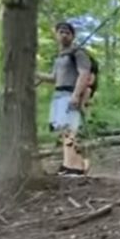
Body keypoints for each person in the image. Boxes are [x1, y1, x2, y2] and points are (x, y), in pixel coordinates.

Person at [36, 21, 92, 176]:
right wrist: (35, 73)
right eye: (61, 31)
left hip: (70, 93)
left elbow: (84, 74)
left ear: (73, 36)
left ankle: (75, 166)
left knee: (70, 129)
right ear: (56, 35)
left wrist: (76, 94)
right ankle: (70, 164)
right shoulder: (60, 57)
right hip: (58, 95)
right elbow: (54, 77)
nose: (64, 34)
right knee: (63, 131)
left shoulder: (78, 53)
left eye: (68, 32)